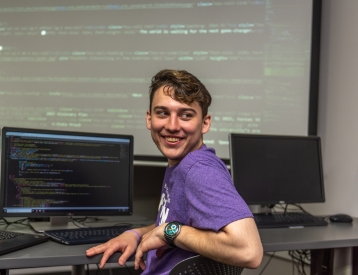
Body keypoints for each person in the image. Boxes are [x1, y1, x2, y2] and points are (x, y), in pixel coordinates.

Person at [86, 69, 263, 274]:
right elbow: (174, 223)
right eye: (162, 113)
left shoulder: (198, 170)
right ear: (149, 118)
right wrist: (136, 234)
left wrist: (170, 232)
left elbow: (250, 252)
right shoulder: (181, 163)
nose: (172, 126)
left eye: (185, 115)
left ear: (205, 123)